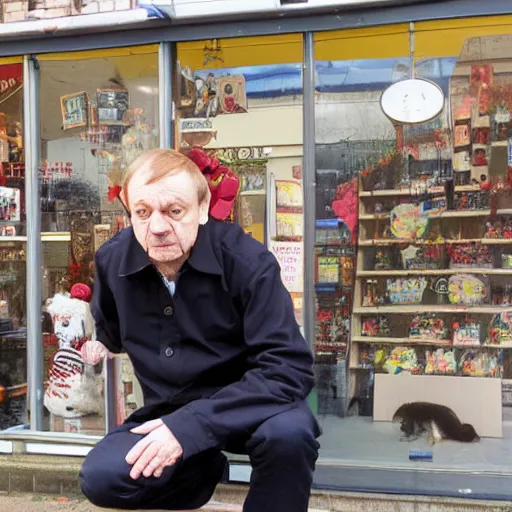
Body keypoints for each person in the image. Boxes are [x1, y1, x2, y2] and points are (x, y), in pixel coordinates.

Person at [78, 148, 321, 512]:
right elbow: (110, 330)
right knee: (103, 477)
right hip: (169, 408)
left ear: (203, 208)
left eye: (174, 211)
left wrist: (192, 428)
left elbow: (288, 369)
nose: (157, 227)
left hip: (253, 403)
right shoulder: (112, 261)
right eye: (142, 213)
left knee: (289, 437)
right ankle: (201, 467)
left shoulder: (249, 263)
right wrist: (97, 344)